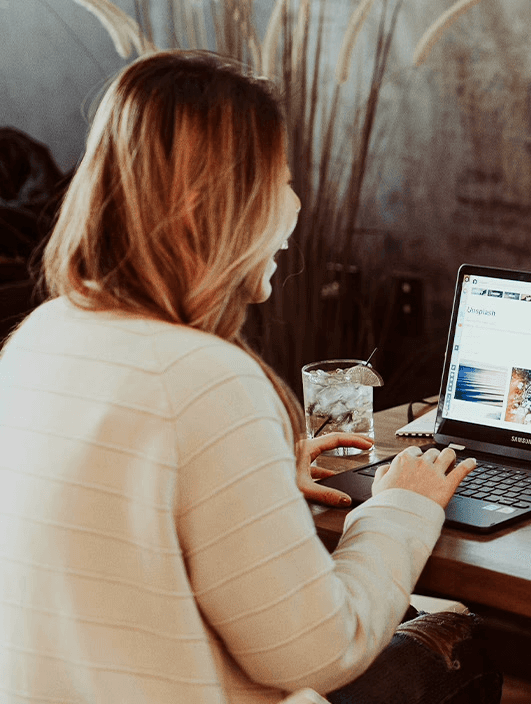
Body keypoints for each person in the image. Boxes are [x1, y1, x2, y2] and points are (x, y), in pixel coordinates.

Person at [0, 51, 499, 704]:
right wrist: (402, 506)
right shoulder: (207, 380)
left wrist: (255, 474)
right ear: (211, 206)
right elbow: (320, 653)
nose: (294, 206)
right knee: (465, 646)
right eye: (280, 180)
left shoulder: (41, 336)